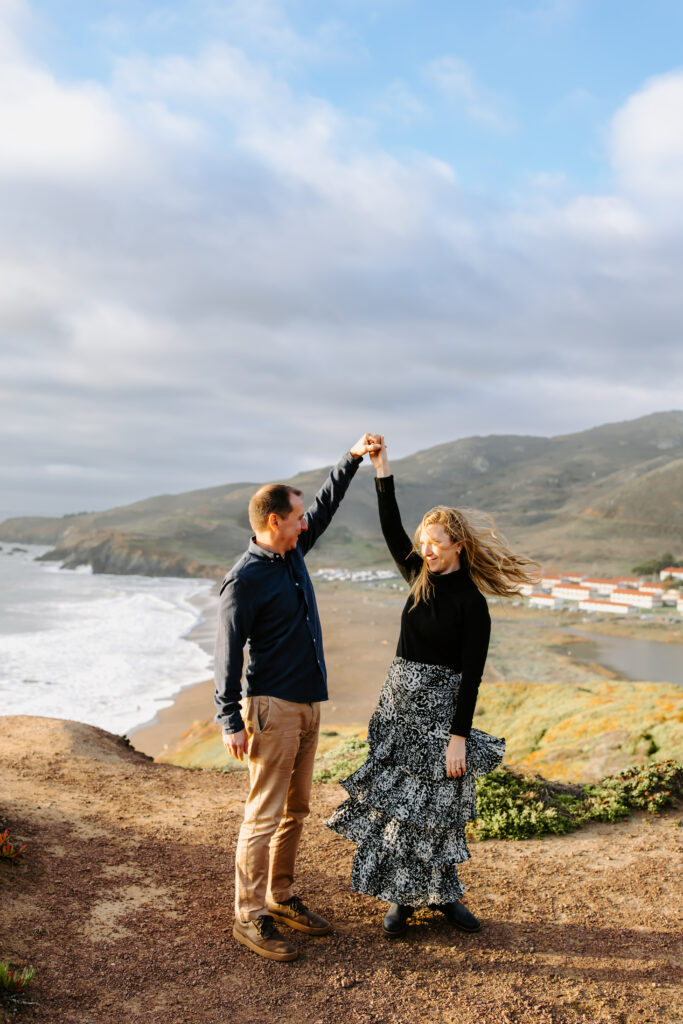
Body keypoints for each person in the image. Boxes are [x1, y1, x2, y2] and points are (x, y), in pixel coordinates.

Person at [327, 437, 539, 939]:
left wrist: (458, 737)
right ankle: (402, 899)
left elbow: (472, 677)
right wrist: (381, 469)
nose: (426, 550)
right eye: (423, 543)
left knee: (437, 812)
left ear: (458, 546)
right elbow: (388, 525)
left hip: (441, 718)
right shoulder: (418, 577)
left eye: (435, 544)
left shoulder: (473, 606)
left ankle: (443, 896)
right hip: (398, 710)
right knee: (402, 808)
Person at [215, 433, 382, 962]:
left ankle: (280, 897)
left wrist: (353, 458)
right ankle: (249, 915)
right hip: (272, 709)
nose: (304, 522)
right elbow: (227, 654)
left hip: (309, 704)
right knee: (262, 814)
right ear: (273, 523)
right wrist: (229, 720)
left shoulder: (291, 555)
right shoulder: (243, 582)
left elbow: (325, 506)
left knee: (296, 809)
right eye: (295, 518)